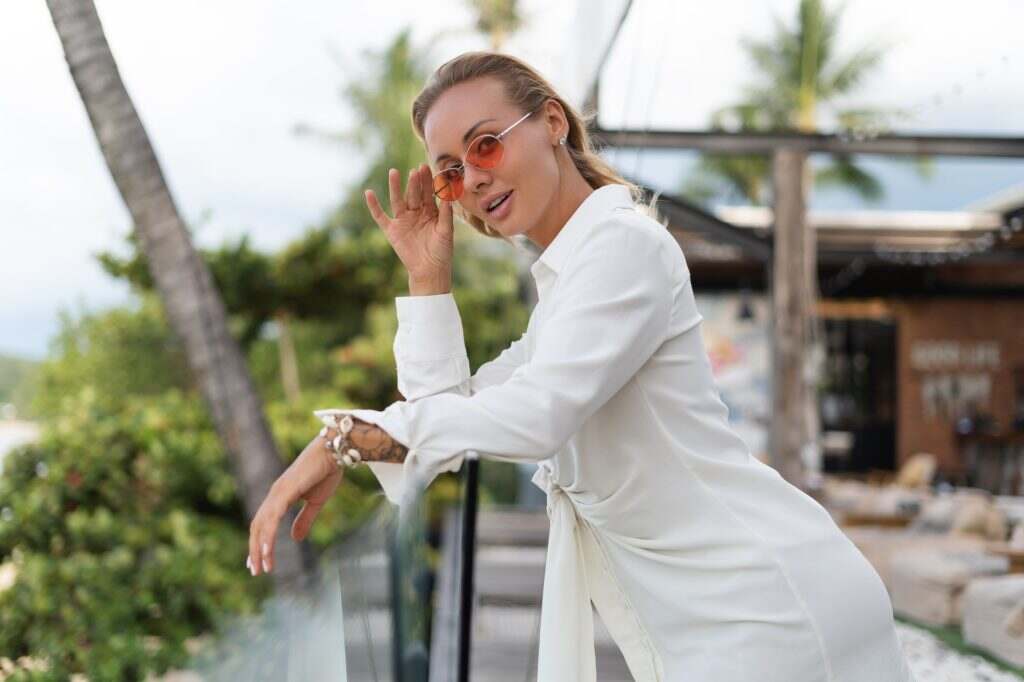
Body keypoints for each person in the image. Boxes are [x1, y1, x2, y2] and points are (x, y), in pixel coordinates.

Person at [246, 51, 915, 681]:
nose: (473, 178)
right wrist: (428, 279)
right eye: (451, 171)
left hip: (772, 611)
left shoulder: (624, 249)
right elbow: (455, 415)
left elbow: (532, 416)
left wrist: (345, 441)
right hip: (716, 622)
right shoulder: (569, 292)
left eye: (486, 144)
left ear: (552, 123)